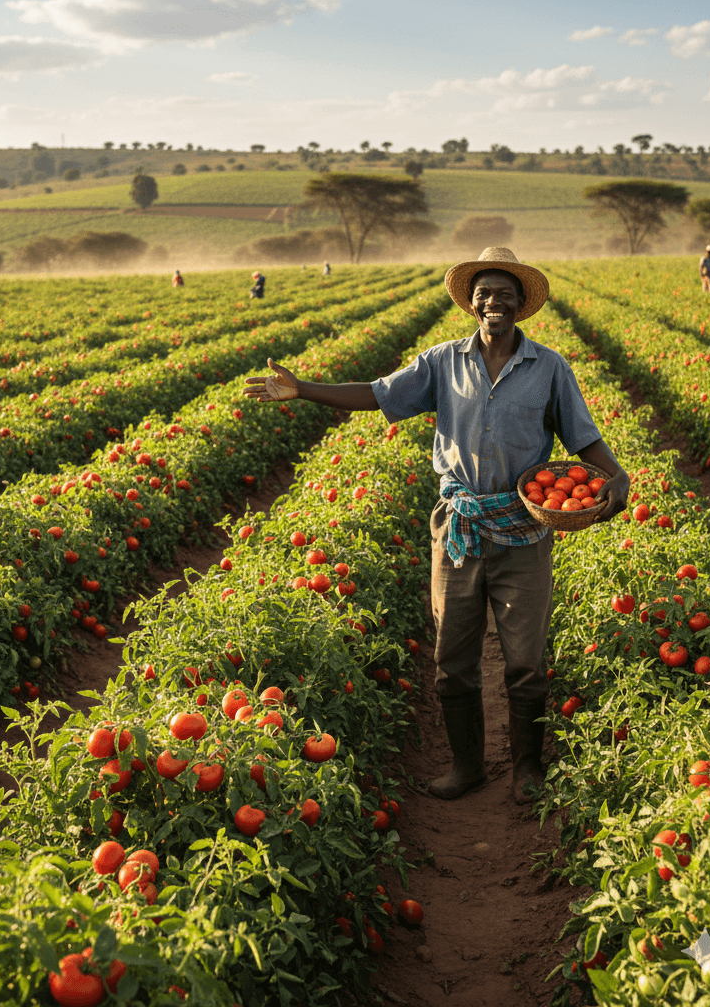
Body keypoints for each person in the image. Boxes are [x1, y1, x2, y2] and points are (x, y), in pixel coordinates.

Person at [242, 247, 630, 805]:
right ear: (471, 303)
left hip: (522, 529)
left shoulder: (549, 368)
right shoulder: (442, 362)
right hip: (458, 528)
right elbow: (377, 394)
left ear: (521, 304)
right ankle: (466, 766)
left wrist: (616, 475)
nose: (493, 301)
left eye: (504, 294)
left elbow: (582, 436)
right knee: (452, 658)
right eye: (484, 293)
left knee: (526, 661)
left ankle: (527, 768)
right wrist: (303, 388)